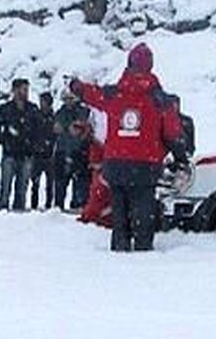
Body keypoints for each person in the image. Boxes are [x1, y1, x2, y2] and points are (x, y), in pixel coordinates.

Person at [71, 43, 186, 252]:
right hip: (146, 166)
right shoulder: (161, 100)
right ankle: (142, 250)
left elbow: (91, 95)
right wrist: (181, 157)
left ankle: (120, 248)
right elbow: (173, 133)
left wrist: (77, 87)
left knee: (119, 212)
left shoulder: (114, 93)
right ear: (150, 66)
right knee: (144, 212)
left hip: (116, 163)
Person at [0, 78, 42, 211]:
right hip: (9, 154)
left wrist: (33, 144)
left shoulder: (32, 109)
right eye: (23, 89)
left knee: (22, 188)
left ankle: (19, 214)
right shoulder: (5, 109)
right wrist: (4, 141)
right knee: (5, 188)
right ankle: (2, 212)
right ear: (15, 90)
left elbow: (39, 129)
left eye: (27, 90)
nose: (25, 93)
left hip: (26, 154)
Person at [53, 89, 91, 210]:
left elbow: (83, 129)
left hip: (79, 152)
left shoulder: (84, 112)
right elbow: (57, 129)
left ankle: (77, 205)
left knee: (79, 184)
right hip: (62, 151)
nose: (68, 101)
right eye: (66, 99)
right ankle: (59, 207)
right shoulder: (60, 112)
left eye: (71, 98)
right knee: (60, 184)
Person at [28, 91, 57, 210]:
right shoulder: (35, 116)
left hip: (50, 154)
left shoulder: (54, 117)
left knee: (50, 183)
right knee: (35, 182)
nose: (42, 104)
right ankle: (34, 205)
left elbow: (56, 135)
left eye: (44, 102)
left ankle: (49, 205)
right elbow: (30, 132)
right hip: (37, 154)